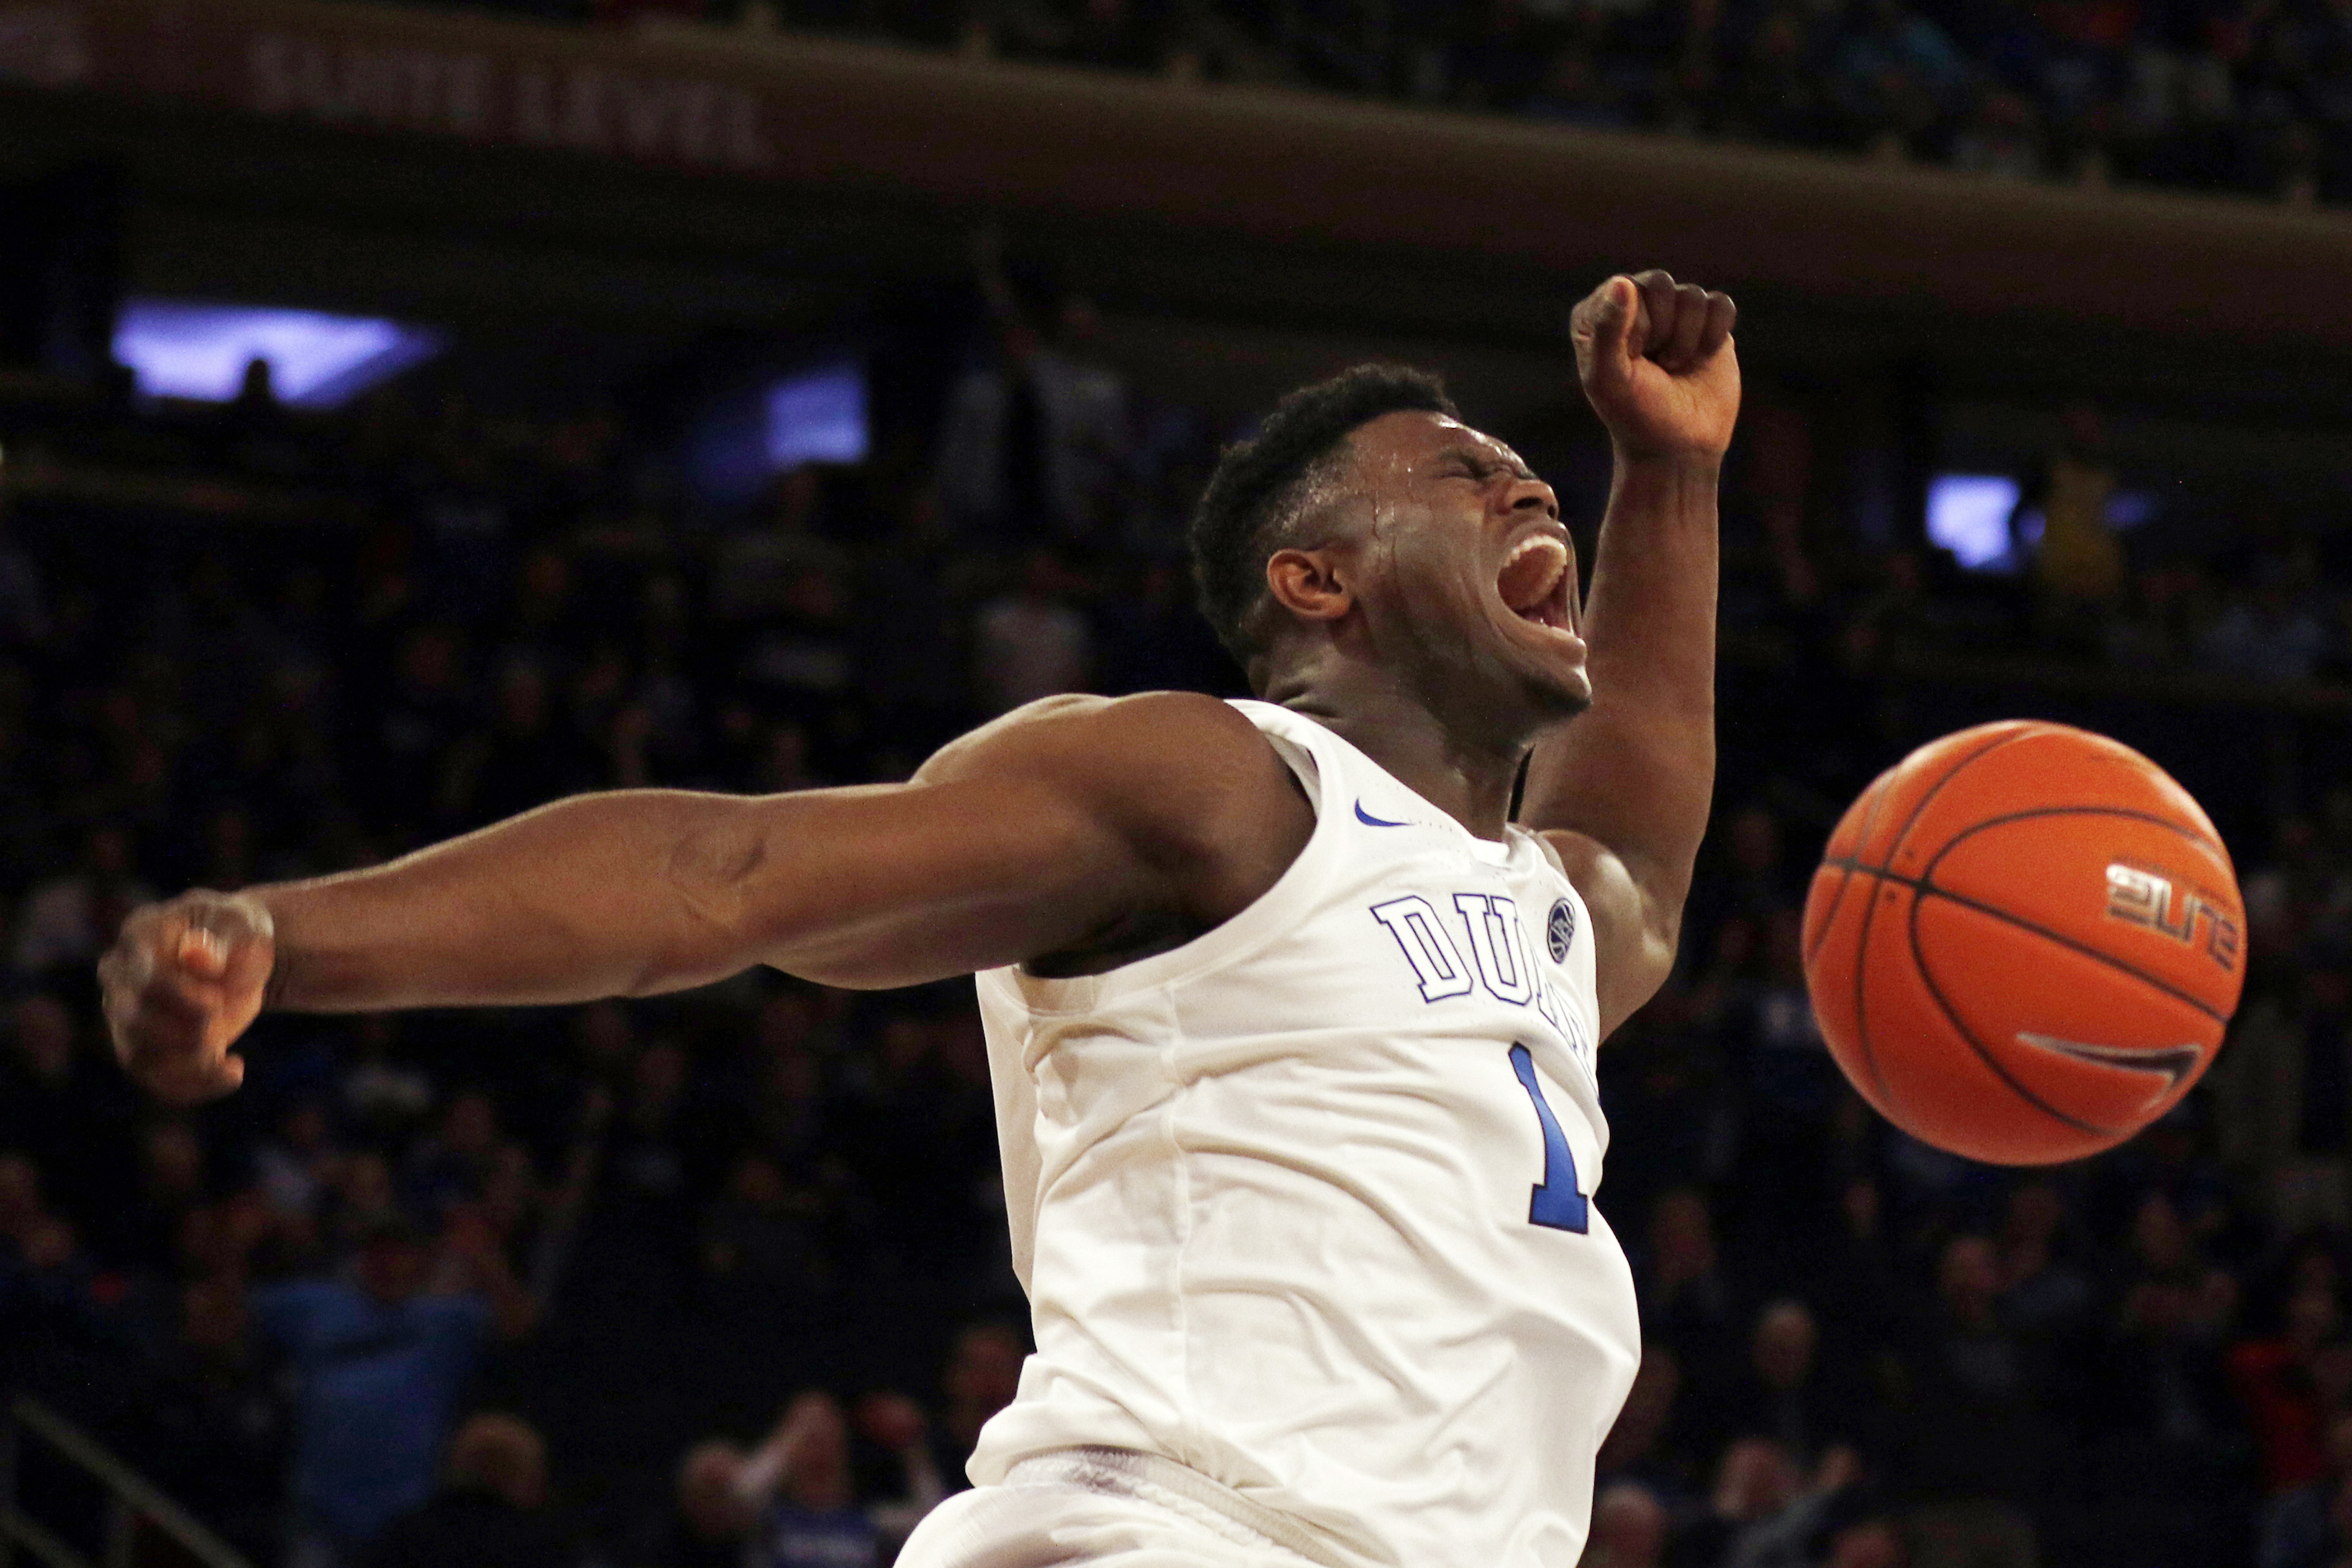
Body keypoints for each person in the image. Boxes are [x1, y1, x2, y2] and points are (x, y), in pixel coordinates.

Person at [101, 270, 1740, 1567]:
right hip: (1179, 1531)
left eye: (1535, 479)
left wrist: (1667, 472)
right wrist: (286, 938)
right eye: (1469, 476)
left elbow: (1644, 836)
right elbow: (724, 878)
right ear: (1320, 584)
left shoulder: (1546, 916)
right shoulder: (1218, 782)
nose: (1533, 493)